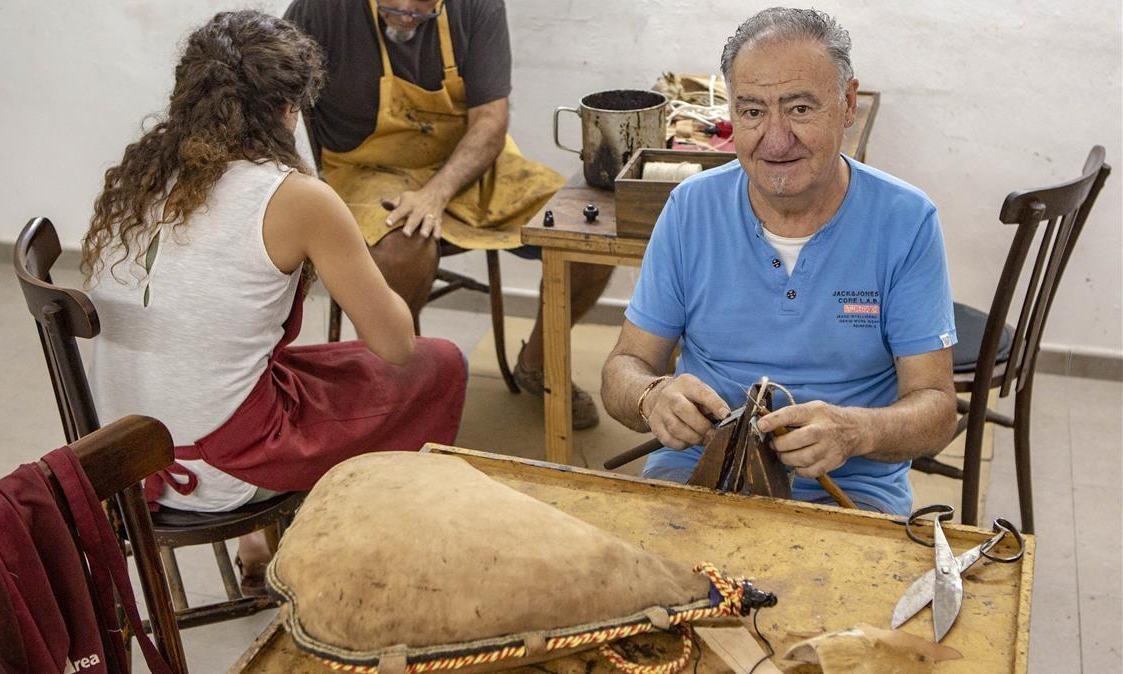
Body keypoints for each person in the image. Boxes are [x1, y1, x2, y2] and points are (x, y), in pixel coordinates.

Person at [82, 10, 467, 590]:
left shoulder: (147, 175)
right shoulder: (294, 197)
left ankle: (261, 541)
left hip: (125, 456)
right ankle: (364, 551)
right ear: (290, 109)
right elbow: (395, 343)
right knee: (439, 363)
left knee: (280, 365)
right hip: (216, 465)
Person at [601, 8, 957, 516]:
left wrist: (857, 431)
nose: (774, 138)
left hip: (850, 489)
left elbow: (938, 411)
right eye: (751, 112)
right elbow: (623, 367)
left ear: (847, 103)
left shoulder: (905, 221)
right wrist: (651, 397)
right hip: (699, 471)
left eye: (799, 109)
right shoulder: (691, 209)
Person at [284, 0, 614, 429]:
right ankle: (399, 387)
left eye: (419, 12)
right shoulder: (318, 10)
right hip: (367, 169)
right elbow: (275, 108)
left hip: (467, 164)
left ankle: (539, 362)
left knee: (588, 226)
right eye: (391, 5)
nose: (404, 14)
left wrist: (436, 192)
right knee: (403, 249)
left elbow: (490, 121)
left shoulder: (476, 7)